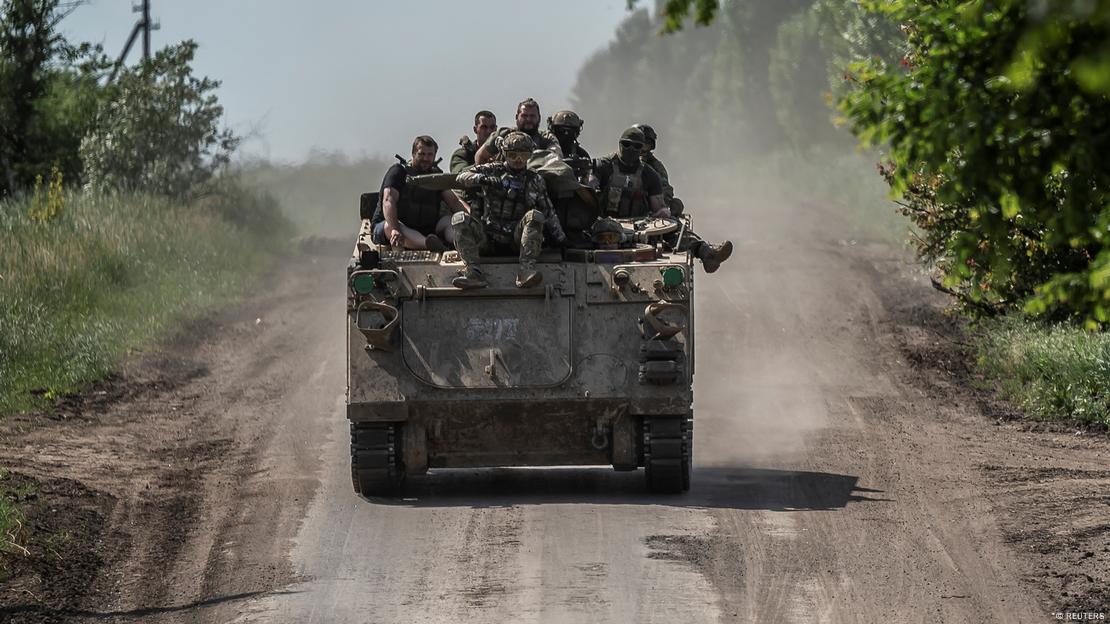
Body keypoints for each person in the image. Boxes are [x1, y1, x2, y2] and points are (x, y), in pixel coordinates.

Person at [592, 127, 733, 273]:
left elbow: (659, 207)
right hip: (603, 221)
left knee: (671, 225)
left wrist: (667, 215)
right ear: (620, 143)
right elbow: (588, 192)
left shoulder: (650, 173)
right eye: (627, 144)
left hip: (639, 224)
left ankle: (706, 253)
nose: (631, 149)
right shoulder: (603, 166)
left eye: (637, 146)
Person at [451, 132, 568, 289]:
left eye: (523, 155)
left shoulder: (535, 180)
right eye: (512, 155)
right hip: (487, 237)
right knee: (459, 219)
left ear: (530, 156)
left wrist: (562, 241)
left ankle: (526, 271)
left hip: (516, 240)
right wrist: (483, 179)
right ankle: (473, 273)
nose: (518, 160)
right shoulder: (492, 170)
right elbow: (461, 177)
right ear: (505, 154)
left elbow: (549, 212)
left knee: (535, 216)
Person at [371, 135, 471, 251]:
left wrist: (471, 218)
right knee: (390, 226)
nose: (425, 158)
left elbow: (454, 201)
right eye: (422, 154)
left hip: (427, 230)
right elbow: (389, 200)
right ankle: (431, 246)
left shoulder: (435, 176)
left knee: (450, 220)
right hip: (393, 228)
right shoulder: (398, 172)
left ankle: (460, 243)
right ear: (413, 153)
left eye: (429, 155)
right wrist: (395, 229)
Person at [474, 98, 562, 165]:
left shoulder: (546, 138)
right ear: (517, 117)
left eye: (532, 116)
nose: (528, 119)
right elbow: (480, 156)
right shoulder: (503, 134)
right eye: (524, 115)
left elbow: (556, 158)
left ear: (539, 117)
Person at [632, 123, 679, 213]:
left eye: (645, 144)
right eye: (638, 144)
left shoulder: (656, 167)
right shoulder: (616, 162)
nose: (641, 149)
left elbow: (665, 190)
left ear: (651, 146)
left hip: (644, 211)